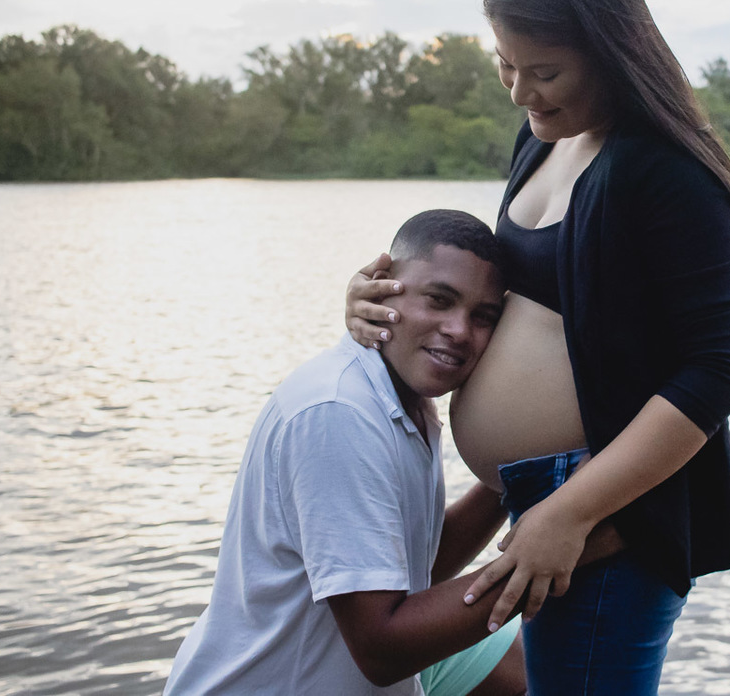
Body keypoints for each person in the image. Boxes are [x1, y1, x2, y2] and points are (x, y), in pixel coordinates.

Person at [346, 0, 730, 695]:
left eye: (544, 72)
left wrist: (568, 513)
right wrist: (381, 296)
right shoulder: (543, 140)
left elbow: (716, 371)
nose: (519, 92)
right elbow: (498, 291)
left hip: (606, 522)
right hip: (542, 506)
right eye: (505, 66)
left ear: (612, 52)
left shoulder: (666, 171)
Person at [166, 210, 528, 696]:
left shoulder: (406, 398)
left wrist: (522, 474)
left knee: (528, 669)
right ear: (382, 287)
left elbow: (412, 569)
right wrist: (543, 559)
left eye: (482, 317)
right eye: (439, 300)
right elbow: (382, 650)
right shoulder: (339, 413)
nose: (459, 330)